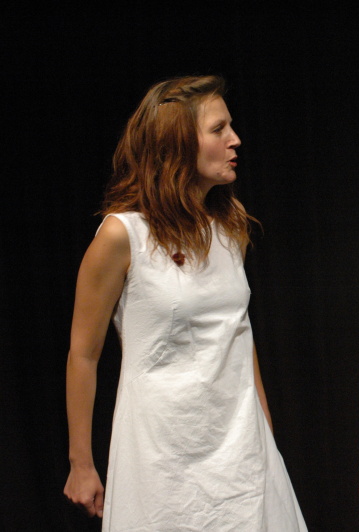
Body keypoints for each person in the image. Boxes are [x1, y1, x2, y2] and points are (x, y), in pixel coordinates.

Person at [63, 75, 307, 531]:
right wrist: (81, 463)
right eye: (218, 129)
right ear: (176, 144)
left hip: (239, 445)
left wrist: (266, 437)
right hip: (162, 451)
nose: (235, 139)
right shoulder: (123, 235)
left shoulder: (228, 230)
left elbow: (239, 334)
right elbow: (84, 354)